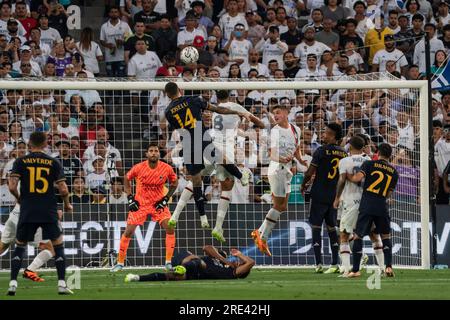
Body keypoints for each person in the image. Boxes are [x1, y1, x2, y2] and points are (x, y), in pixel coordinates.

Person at [163, 82, 251, 229]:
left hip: (188, 143)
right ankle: (242, 177)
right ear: (180, 89)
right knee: (221, 158)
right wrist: (237, 112)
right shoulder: (193, 99)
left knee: (196, 182)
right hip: (200, 136)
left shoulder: (167, 111)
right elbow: (218, 109)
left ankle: (203, 218)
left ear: (167, 95)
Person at [7, 131, 73, 295]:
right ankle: (62, 284)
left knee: (20, 246)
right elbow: (63, 189)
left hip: (28, 210)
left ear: (30, 143)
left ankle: (13, 284)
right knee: (58, 246)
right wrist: (67, 205)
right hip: (48, 210)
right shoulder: (53, 162)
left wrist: (19, 198)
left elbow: (12, 186)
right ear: (45, 143)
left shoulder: (20, 161)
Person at [110, 142, 178, 272]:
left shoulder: (167, 168)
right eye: (151, 151)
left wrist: (165, 198)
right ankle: (119, 263)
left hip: (158, 204)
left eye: (156, 151)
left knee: (170, 228)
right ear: (146, 154)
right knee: (128, 231)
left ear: (159, 153)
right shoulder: (139, 167)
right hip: (140, 204)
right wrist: (130, 198)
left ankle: (168, 262)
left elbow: (175, 183)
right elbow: (126, 178)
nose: (153, 153)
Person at [208, 90, 264, 242]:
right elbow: (261, 124)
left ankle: (217, 226)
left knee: (224, 185)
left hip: (211, 147)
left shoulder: (214, 110)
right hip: (226, 149)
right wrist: (247, 118)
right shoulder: (235, 106)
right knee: (228, 185)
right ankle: (218, 225)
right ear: (230, 96)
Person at [252, 104, 306, 256]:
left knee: (283, 207)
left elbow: (296, 148)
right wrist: (282, 159)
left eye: (278, 113)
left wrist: (300, 160)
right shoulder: (275, 131)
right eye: (273, 113)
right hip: (277, 168)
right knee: (278, 204)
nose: (275, 116)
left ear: (286, 113)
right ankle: (263, 236)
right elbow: (271, 154)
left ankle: (260, 232)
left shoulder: (296, 129)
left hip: (287, 170)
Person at [333, 136, 384, 276]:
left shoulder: (344, 161)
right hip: (367, 201)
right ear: (363, 147)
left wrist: (337, 198)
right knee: (374, 234)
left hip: (350, 201)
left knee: (344, 234)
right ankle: (383, 268)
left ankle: (347, 270)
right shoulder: (369, 160)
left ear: (349, 146)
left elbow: (342, 180)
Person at [346, 143, 399, 278]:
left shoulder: (369, 164)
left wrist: (347, 176)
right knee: (385, 236)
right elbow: (388, 193)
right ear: (390, 155)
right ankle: (388, 267)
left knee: (358, 236)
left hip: (367, 205)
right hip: (382, 205)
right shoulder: (394, 172)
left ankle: (356, 270)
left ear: (378, 152)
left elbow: (357, 178)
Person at [300, 123, 347, 273]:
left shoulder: (321, 151)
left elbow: (309, 173)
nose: (323, 135)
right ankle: (335, 263)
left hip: (319, 193)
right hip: (334, 195)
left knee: (316, 227)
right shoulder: (344, 154)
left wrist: (303, 185)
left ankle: (319, 263)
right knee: (332, 228)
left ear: (332, 135)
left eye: (326, 133)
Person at [124, 245, 255, 282]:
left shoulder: (233, 273)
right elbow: (207, 247)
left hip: (197, 272)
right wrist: (225, 260)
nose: (238, 261)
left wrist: (239, 254)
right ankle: (183, 267)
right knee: (197, 260)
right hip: (187, 259)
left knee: (168, 276)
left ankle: (136, 277)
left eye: (240, 262)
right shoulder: (223, 260)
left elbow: (251, 262)